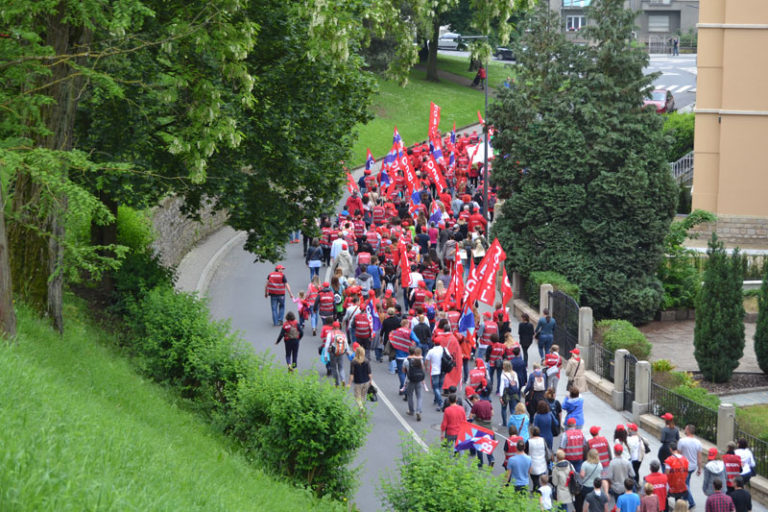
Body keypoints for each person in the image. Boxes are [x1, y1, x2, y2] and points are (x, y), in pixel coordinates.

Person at [677, 424, 703, 509]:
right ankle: (684, 500)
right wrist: (699, 468)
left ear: (688, 430)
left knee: (684, 484)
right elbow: (699, 457)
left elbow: (679, 455)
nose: (684, 430)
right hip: (693, 466)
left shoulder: (682, 441)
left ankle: (692, 503)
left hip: (684, 466)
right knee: (687, 482)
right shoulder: (698, 442)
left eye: (685, 429)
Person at [324, 321, 350, 387]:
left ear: (333, 326)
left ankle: (336, 383)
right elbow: (346, 344)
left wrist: (325, 355)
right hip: (341, 352)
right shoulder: (343, 334)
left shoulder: (330, 334)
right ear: (339, 326)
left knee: (333, 368)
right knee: (341, 368)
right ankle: (343, 379)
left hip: (333, 353)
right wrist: (347, 351)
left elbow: (327, 345)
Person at [665, 442, 691, 507]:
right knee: (678, 500)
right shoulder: (685, 459)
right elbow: (686, 471)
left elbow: (667, 473)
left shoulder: (669, 460)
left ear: (670, 449)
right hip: (681, 483)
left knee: (664, 497)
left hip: (672, 484)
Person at [403, 347, 425, 421]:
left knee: (410, 395)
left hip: (410, 380)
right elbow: (422, 369)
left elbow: (403, 371)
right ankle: (418, 411)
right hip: (418, 379)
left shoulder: (407, 360)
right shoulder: (420, 360)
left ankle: (411, 411)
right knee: (419, 396)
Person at [526, 425, 550, 490]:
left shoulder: (529, 442)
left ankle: (536, 489)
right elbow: (546, 451)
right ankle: (540, 489)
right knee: (542, 478)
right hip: (542, 463)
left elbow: (526, 453)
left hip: (533, 464)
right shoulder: (543, 440)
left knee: (535, 480)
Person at [498, 359, 520, 427]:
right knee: (513, 409)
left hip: (505, 392)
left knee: (504, 408)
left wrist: (501, 396)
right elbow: (517, 384)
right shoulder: (514, 374)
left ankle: (504, 423)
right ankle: (513, 423)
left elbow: (501, 386)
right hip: (513, 392)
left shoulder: (503, 375)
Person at [425, 339, 444, 410]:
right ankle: (436, 399)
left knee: (435, 388)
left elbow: (426, 360)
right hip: (443, 370)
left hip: (435, 371)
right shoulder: (444, 350)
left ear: (434, 343)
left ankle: (440, 402)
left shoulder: (431, 351)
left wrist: (426, 367)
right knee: (440, 387)